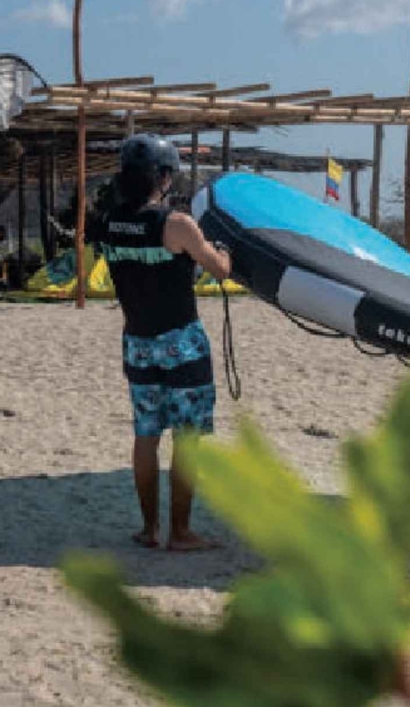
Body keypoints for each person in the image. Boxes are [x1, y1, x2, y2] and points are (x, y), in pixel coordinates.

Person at [99, 133, 233, 552]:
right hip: (182, 343)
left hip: (137, 342)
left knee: (146, 435)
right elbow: (221, 268)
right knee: (187, 439)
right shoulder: (175, 224)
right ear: (163, 177)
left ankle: (148, 529)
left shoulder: (107, 222)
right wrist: (224, 249)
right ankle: (181, 532)